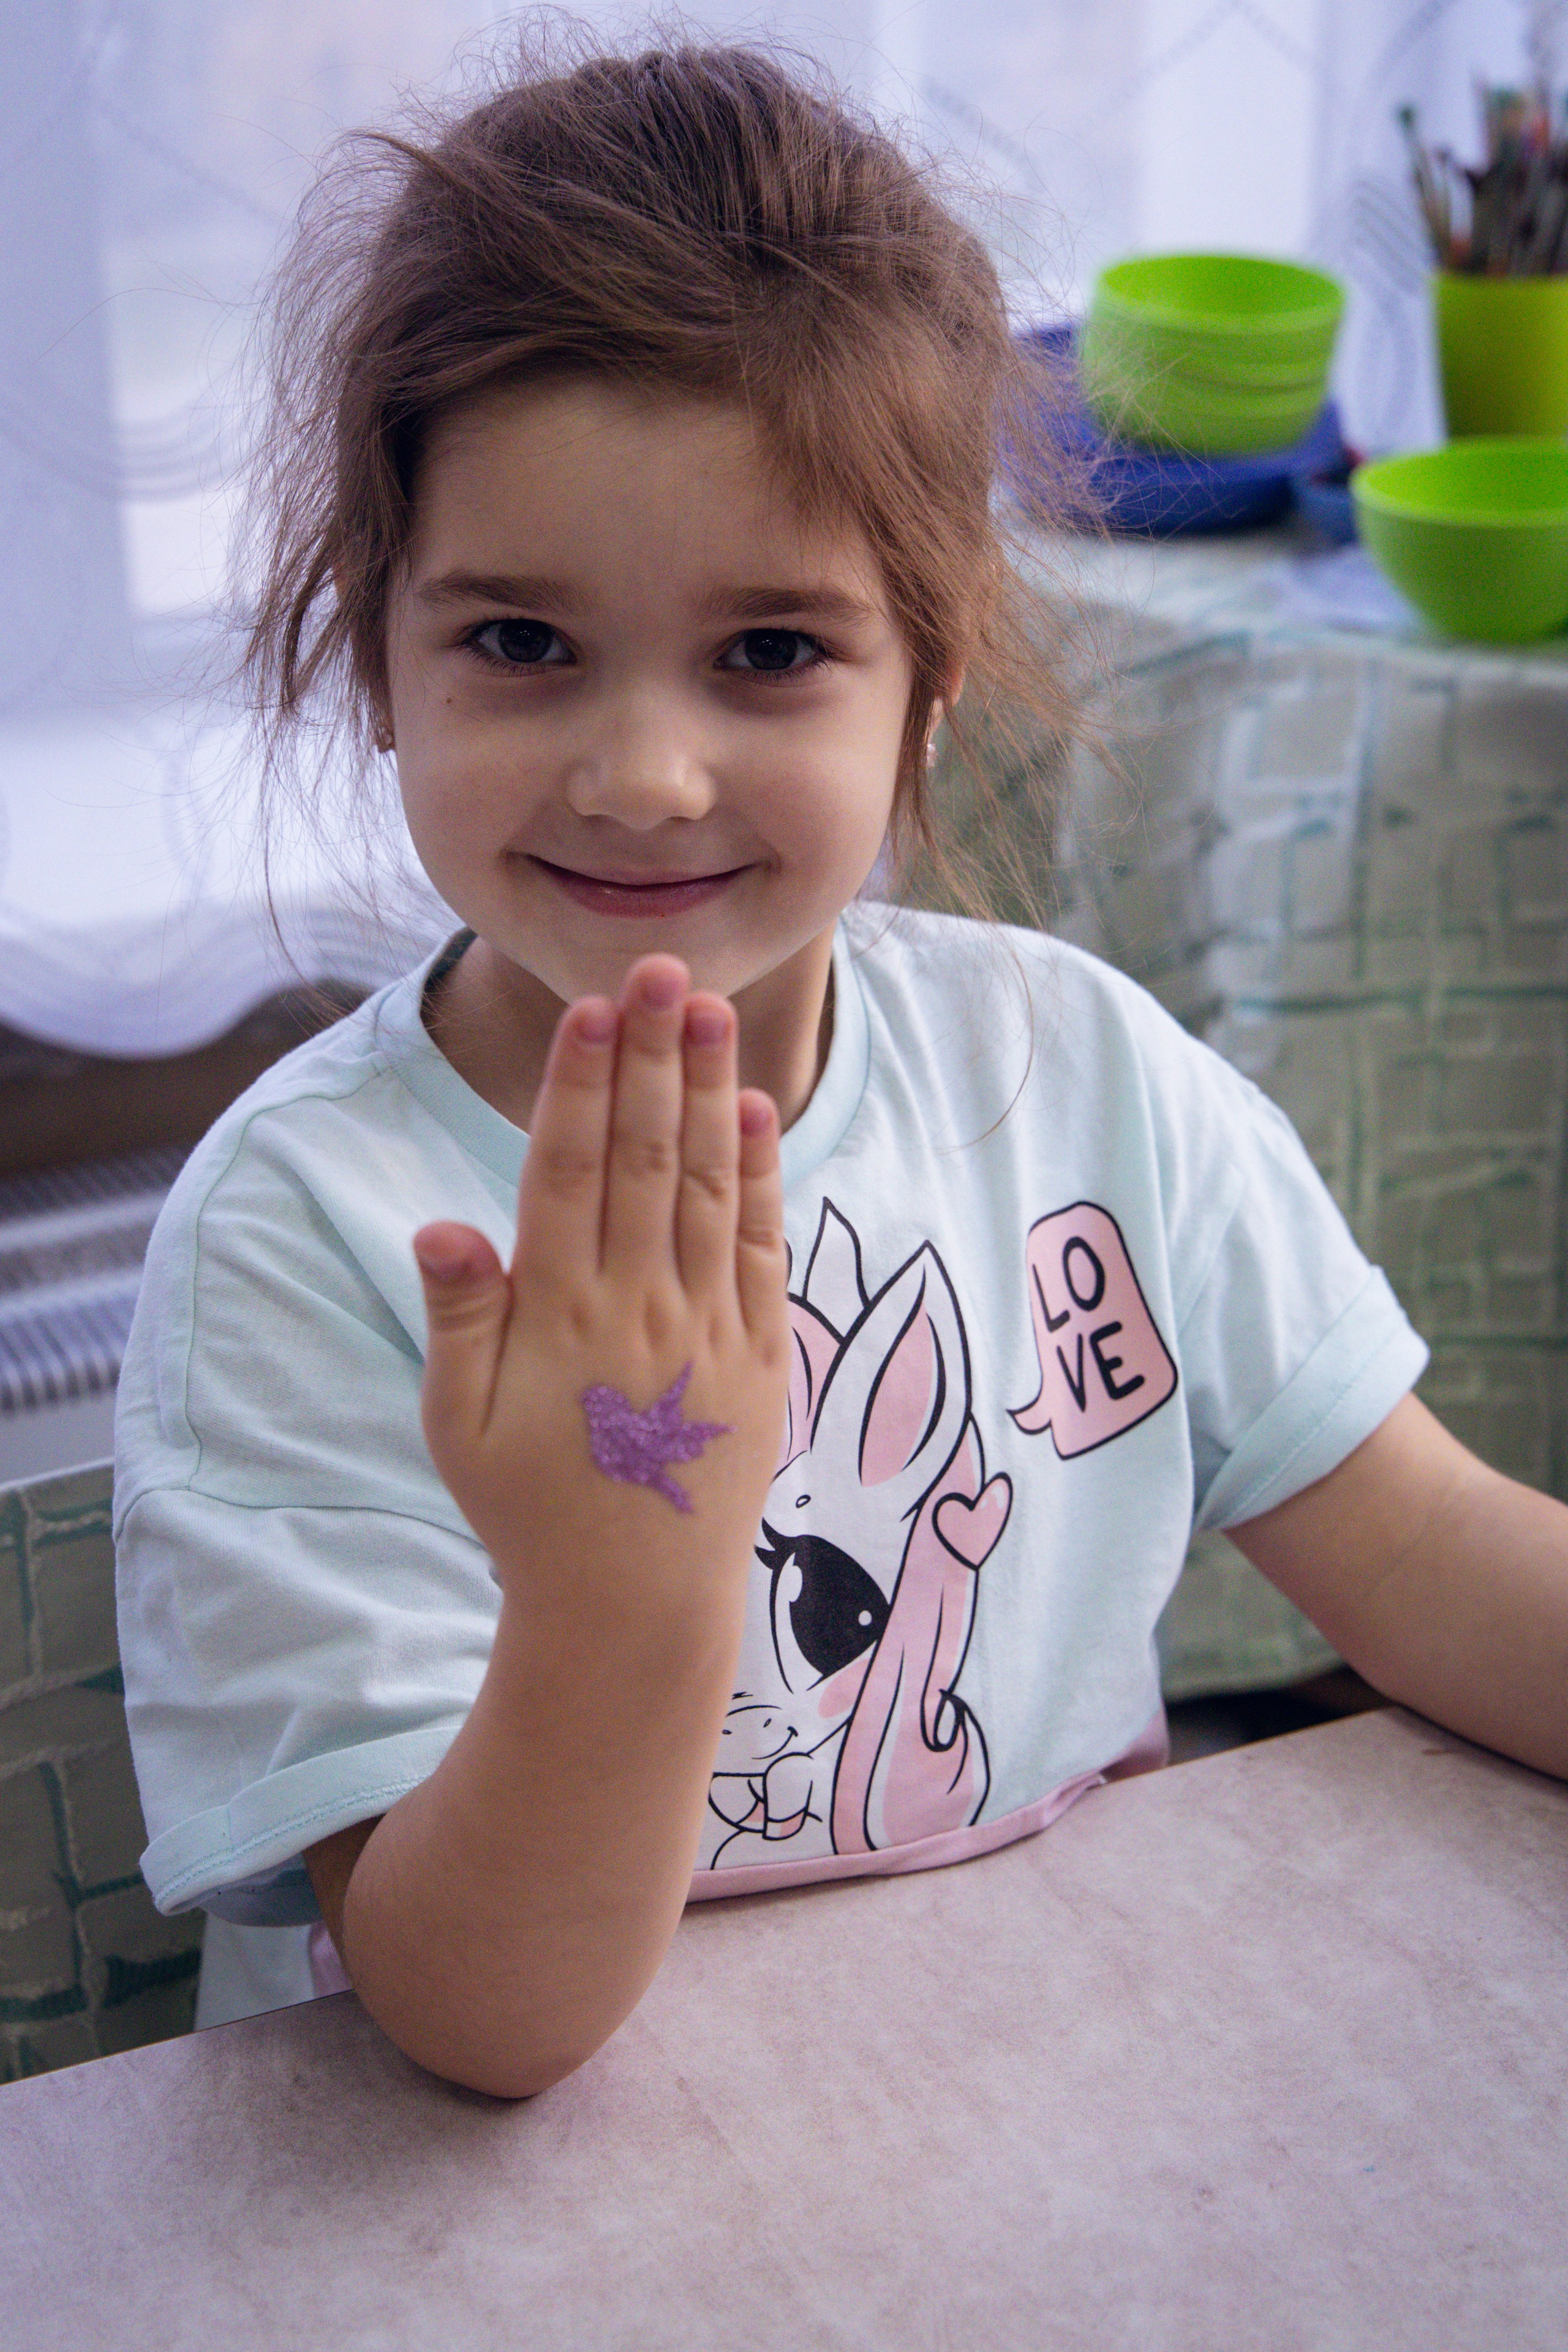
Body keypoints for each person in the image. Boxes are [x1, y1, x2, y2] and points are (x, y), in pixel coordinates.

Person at [115, 34, 1568, 2098]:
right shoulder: (311, 1238)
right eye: (519, 643)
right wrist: (631, 1578)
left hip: (1036, 2130)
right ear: (377, 659)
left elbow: (1427, 1558)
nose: (642, 773)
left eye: (772, 651)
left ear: (932, 677)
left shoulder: (1082, 1079)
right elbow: (479, 2023)